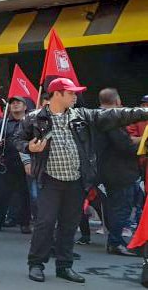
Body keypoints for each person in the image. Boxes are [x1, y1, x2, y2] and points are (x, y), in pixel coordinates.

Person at [16, 78, 148, 283]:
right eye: (71, 93)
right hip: (50, 180)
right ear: (57, 94)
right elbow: (18, 139)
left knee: (69, 225)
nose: (76, 96)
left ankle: (64, 266)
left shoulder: (83, 115)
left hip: (77, 181)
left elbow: (116, 114)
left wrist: (144, 112)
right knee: (45, 222)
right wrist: (28, 148)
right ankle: (36, 264)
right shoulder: (34, 118)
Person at [96, 88, 140, 256]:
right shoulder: (111, 118)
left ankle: (115, 240)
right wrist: (141, 144)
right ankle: (116, 242)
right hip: (119, 171)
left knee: (114, 207)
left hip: (105, 169)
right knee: (121, 208)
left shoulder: (95, 116)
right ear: (117, 101)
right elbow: (124, 145)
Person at [0, 97, 32, 234]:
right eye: (12, 103)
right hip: (6, 163)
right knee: (2, 194)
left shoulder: (31, 122)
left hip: (26, 163)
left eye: (18, 102)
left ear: (25, 107)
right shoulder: (2, 124)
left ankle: (25, 224)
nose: (15, 104)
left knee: (24, 194)